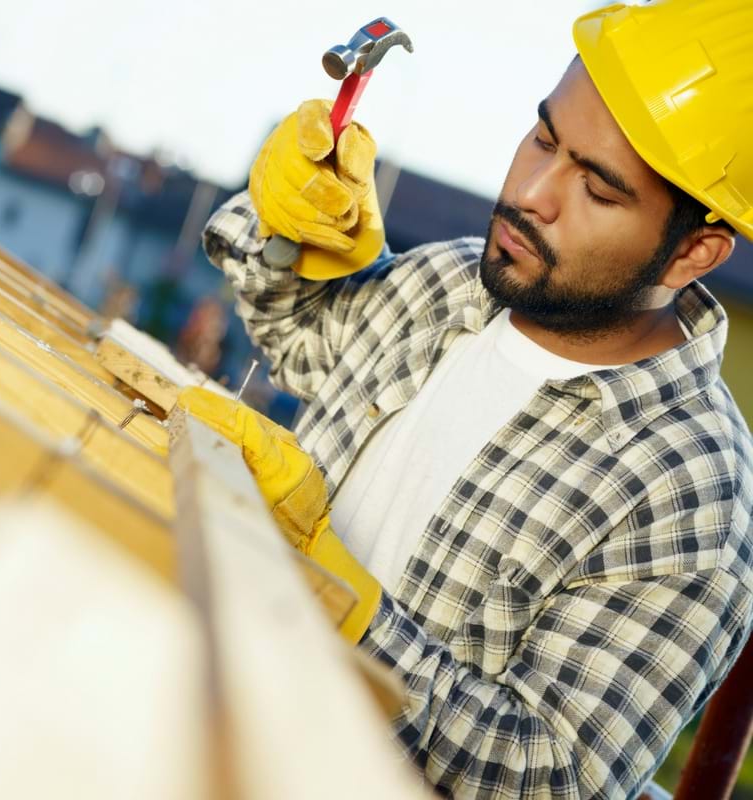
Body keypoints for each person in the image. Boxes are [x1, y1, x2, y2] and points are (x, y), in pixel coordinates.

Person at [180, 1, 753, 797]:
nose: (532, 193)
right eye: (545, 139)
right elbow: (299, 339)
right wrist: (293, 229)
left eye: (598, 189)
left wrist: (333, 594)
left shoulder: (688, 501)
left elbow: (551, 776)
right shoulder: (456, 283)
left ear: (695, 250)